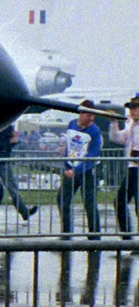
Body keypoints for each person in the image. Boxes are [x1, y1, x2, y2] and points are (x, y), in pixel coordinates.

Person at [58, 100, 104, 239]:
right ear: (80, 114)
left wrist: (77, 170)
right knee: (62, 200)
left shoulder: (94, 131)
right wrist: (67, 164)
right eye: (88, 115)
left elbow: (92, 155)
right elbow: (70, 146)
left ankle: (94, 236)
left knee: (89, 203)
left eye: (93, 116)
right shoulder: (71, 124)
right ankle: (66, 233)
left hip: (87, 172)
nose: (91, 119)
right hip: (70, 169)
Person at [0, 123, 34, 220]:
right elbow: (7, 142)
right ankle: (23, 211)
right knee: (12, 187)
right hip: (1, 160)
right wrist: (13, 141)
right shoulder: (5, 125)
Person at [111, 98, 139, 237]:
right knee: (120, 202)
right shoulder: (131, 126)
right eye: (131, 108)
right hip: (132, 169)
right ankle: (127, 236)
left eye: (136, 107)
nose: (132, 111)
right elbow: (116, 138)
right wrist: (113, 122)